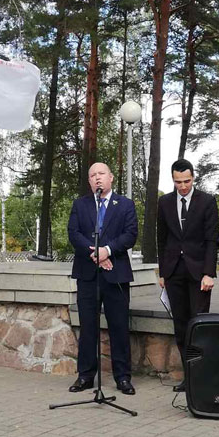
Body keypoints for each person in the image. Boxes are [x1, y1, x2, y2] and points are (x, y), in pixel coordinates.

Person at [67, 162, 138, 395]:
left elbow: (130, 234)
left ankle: (123, 377)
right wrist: (95, 254)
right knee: (88, 327)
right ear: (89, 181)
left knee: (119, 326)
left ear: (111, 177)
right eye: (92, 175)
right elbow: (74, 233)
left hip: (116, 274)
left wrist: (107, 250)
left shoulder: (125, 204)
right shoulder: (80, 204)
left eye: (101, 174)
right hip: (88, 275)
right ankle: (86, 375)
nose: (97, 178)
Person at [156, 158, 219, 392]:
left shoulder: (207, 202)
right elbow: (161, 239)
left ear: (193, 178)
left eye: (187, 181)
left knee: (198, 325)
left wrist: (209, 273)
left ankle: (202, 376)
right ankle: (188, 377)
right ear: (172, 180)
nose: (183, 186)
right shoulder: (164, 202)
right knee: (181, 326)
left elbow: (212, 240)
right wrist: (163, 272)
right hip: (174, 272)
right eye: (178, 182)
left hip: (199, 273)